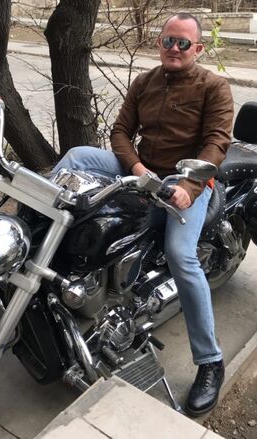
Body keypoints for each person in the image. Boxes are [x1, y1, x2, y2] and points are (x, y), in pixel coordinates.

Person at [52, 12, 234, 417]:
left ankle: (210, 361)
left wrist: (188, 188)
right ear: (159, 43)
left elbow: (217, 143)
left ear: (198, 48)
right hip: (144, 170)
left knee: (181, 255)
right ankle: (30, 238)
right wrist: (136, 169)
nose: (174, 48)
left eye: (183, 43)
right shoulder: (146, 81)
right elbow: (120, 131)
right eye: (169, 40)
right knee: (77, 155)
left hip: (187, 180)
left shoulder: (214, 87)